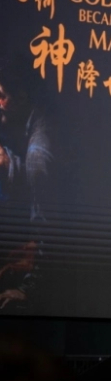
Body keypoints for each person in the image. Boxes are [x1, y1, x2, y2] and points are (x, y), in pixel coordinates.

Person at [0, 54, 50, 311]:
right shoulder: (25, 124)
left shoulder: (38, 156)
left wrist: (27, 290)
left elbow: (53, 225)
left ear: (20, 98)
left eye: (2, 96)